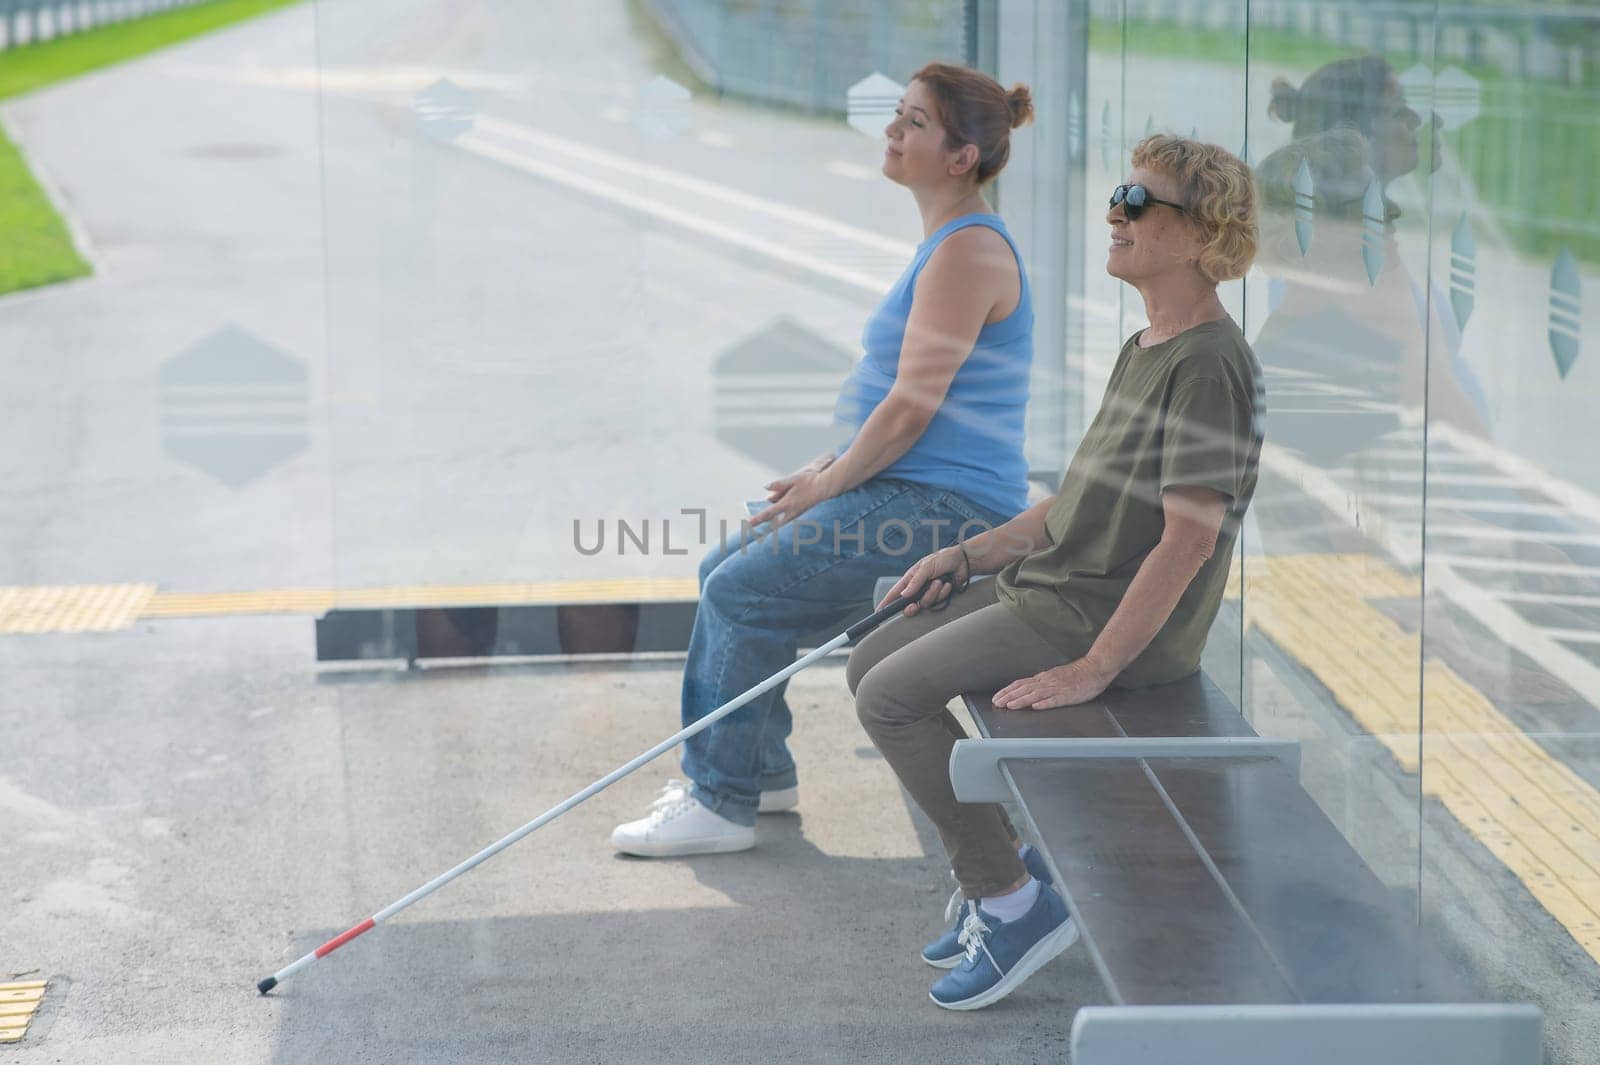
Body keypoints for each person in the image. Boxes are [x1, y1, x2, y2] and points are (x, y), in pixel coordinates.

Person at [847, 134, 1263, 1010]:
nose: (1115, 213)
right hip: (1058, 589)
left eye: (1139, 202)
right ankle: (1007, 870)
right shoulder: (1148, 344)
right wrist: (963, 555)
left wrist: (1093, 668)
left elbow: (1187, 542)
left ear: (1201, 234)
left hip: (1099, 621)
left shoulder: (1211, 367)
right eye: (1119, 195)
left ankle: (1011, 900)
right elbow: (1068, 508)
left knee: (891, 698)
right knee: (868, 659)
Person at [611, 63, 1038, 857]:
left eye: (913, 122)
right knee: (719, 571)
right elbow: (901, 400)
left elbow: (913, 408)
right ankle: (760, 772)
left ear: (960, 157)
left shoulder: (969, 252)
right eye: (898, 115)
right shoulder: (949, 243)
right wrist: (832, 464)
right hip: (912, 488)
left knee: (741, 592)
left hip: (945, 510)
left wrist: (823, 486)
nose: (892, 131)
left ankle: (720, 798)